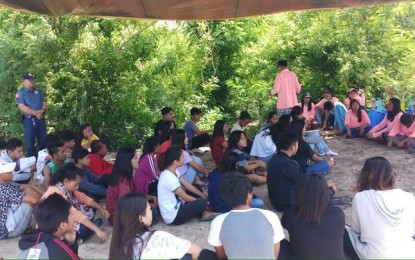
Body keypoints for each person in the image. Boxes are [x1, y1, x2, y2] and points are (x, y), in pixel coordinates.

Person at [344, 157, 415, 259]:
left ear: (363, 176)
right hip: (409, 254)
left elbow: (356, 231)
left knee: (342, 230)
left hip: (374, 256)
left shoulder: (361, 197)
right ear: (392, 176)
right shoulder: (409, 197)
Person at [208, 173, 285, 259]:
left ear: (224, 197)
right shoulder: (270, 216)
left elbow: (221, 256)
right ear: (249, 194)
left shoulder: (218, 222)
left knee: (205, 254)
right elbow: (274, 253)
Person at [109, 193, 208, 259]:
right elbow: (197, 251)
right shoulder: (157, 238)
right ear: (140, 218)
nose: (151, 211)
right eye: (149, 209)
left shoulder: (117, 246)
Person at [281, 174, 344, 259]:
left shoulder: (290, 216)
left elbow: (285, 223)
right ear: (325, 194)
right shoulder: (338, 214)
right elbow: (321, 200)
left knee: (279, 242)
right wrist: (329, 191)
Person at [42, 164, 108, 242]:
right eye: (76, 185)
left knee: (91, 205)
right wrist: (97, 230)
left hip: (66, 217)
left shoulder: (63, 187)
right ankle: (89, 229)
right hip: (54, 225)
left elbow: (83, 198)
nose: (77, 187)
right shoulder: (55, 192)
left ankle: (90, 226)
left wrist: (100, 208)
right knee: (82, 230)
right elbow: (74, 214)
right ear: (66, 181)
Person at [157, 147, 216, 225]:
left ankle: (203, 212)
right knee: (201, 203)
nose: (184, 158)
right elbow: (185, 197)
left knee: (196, 187)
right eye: (182, 157)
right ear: (175, 161)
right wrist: (203, 201)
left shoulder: (173, 170)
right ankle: (204, 211)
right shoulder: (169, 177)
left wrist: (203, 195)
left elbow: (187, 185)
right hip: (173, 217)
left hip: (179, 204)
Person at [18, 194, 81, 259]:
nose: (73, 219)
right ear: (63, 225)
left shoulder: (32, 239)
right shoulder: (58, 250)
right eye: (71, 215)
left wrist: (70, 243)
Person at [0, 161, 41, 240]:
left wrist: (41, 192)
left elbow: (25, 186)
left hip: (9, 219)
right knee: (28, 204)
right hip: (7, 231)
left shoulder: (7, 182)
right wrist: (44, 196)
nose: (11, 172)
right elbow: (34, 200)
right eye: (7, 172)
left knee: (27, 191)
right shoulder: (3, 189)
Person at [16, 72, 47, 157]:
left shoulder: (38, 91)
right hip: (29, 120)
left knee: (43, 141)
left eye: (33, 79)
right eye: (29, 80)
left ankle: (44, 162)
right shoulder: (21, 92)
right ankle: (32, 164)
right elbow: (22, 106)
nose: (32, 81)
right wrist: (34, 112)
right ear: (24, 81)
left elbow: (44, 103)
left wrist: (42, 110)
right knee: (30, 143)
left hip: (40, 118)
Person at [267, 132, 300, 212]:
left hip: (275, 201)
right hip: (286, 204)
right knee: (326, 191)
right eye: (297, 145)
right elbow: (302, 182)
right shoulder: (288, 164)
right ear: (293, 147)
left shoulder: (274, 158)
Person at [106, 147, 139, 225]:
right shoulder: (123, 180)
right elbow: (125, 202)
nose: (138, 160)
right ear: (127, 161)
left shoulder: (126, 176)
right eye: (135, 158)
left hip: (118, 214)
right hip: (118, 217)